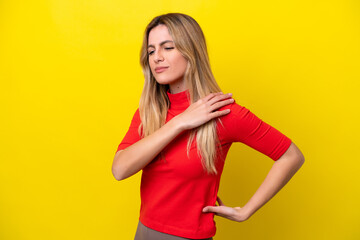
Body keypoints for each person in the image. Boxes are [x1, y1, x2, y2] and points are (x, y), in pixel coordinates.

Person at [112, 13, 305, 240]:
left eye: (168, 47)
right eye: (151, 50)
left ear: (191, 51)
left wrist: (246, 210)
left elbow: (291, 156)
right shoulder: (149, 111)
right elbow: (120, 169)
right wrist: (180, 122)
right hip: (143, 231)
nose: (157, 57)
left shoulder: (223, 113)